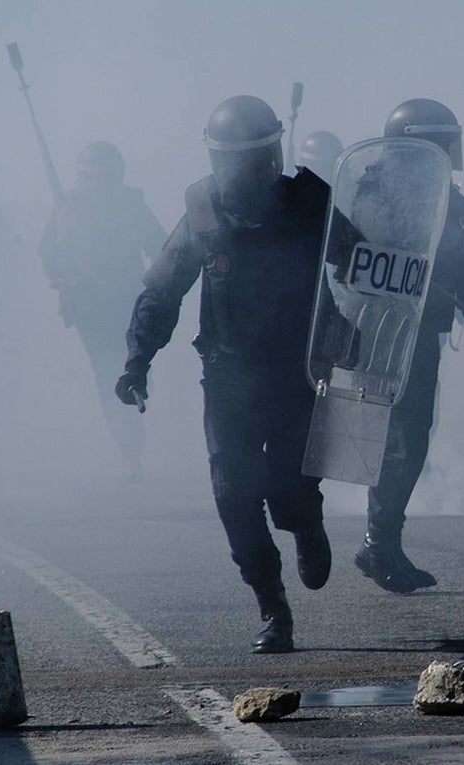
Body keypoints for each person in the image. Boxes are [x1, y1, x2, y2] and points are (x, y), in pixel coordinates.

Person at [115, 95, 333, 653]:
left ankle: (306, 523)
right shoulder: (203, 215)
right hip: (230, 376)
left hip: (299, 374)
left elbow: (371, 265)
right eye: (235, 161)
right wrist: (138, 359)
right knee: (233, 493)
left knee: (288, 490)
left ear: (273, 154)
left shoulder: (310, 204)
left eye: (255, 159)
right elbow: (162, 292)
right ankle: (271, 606)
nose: (246, 172)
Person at [354, 98, 464, 593]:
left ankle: (384, 543)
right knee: (402, 442)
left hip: (402, 332)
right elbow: (368, 256)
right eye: (441, 145)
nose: (448, 155)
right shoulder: (380, 194)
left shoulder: (433, 196)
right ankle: (378, 545)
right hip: (386, 332)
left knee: (406, 441)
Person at [39, 141, 166, 479]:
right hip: (92, 309)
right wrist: (67, 277)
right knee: (109, 375)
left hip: (129, 303)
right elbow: (49, 254)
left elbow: (160, 246)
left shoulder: (131, 205)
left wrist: (159, 287)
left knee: (136, 370)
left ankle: (131, 445)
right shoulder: (67, 208)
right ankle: (130, 451)